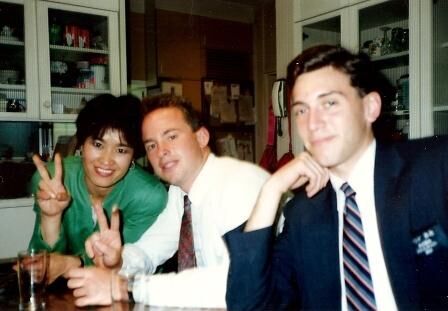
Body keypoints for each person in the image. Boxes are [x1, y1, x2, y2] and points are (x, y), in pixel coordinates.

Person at [224, 44, 448, 310]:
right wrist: (271, 189)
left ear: (370, 107)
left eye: (329, 103)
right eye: (301, 110)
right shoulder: (303, 214)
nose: (313, 123)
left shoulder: (435, 168)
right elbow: (249, 305)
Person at [66, 94, 271, 308]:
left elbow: (235, 284)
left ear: (201, 137)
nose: (161, 151)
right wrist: (118, 260)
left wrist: (126, 286)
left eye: (171, 137)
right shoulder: (179, 193)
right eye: (151, 145)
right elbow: (151, 249)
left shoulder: (240, 185)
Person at [28, 94, 168, 284]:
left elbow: (124, 265)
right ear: (81, 145)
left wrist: (71, 264)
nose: (106, 160)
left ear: (133, 155)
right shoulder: (54, 179)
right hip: (67, 292)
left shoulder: (148, 196)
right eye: (97, 144)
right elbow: (43, 266)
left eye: (121, 150)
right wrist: (51, 217)